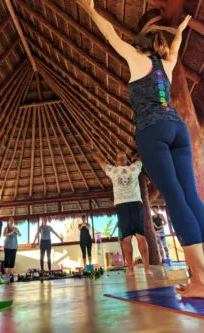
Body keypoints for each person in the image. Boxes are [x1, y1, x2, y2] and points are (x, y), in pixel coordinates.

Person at [77, 0, 201, 298]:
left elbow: (110, 35)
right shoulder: (167, 65)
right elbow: (175, 48)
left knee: (175, 198)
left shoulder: (137, 59)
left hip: (153, 130)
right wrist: (180, 30)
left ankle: (200, 280)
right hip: (177, 129)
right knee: (192, 197)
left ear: (140, 45)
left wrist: (91, 10)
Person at [88, 146, 150, 276]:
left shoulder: (113, 170)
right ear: (126, 160)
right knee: (141, 236)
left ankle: (131, 270)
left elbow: (101, 163)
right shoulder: (134, 168)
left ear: (116, 161)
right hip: (135, 202)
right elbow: (141, 158)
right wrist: (136, 157)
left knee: (126, 238)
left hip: (122, 205)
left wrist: (95, 154)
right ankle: (146, 269)